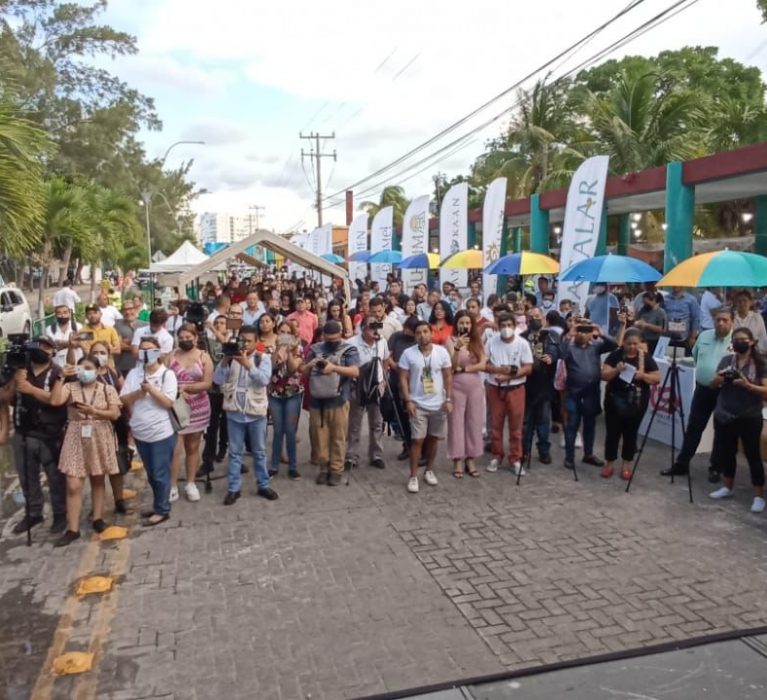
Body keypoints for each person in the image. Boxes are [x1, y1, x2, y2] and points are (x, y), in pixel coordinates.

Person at [49, 356, 122, 546]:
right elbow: (55, 401)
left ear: (98, 370)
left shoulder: (107, 389)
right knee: (73, 483)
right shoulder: (70, 387)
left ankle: (97, 517)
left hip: (99, 433)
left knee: (98, 477)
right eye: (81, 368)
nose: (84, 372)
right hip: (75, 434)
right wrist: (60, 377)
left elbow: (115, 413)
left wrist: (94, 412)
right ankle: (72, 528)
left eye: (88, 368)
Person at [0, 337, 68, 535]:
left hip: (49, 434)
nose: (42, 349)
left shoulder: (58, 373)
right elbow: (4, 398)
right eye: (38, 346)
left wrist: (31, 389)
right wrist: (15, 381)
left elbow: (57, 400)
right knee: (26, 478)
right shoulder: (21, 370)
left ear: (53, 351)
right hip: (22, 432)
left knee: (55, 478)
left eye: (47, 346)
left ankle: (60, 514)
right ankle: (33, 512)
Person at [662, 308, 734, 481]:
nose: (721, 323)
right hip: (702, 389)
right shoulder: (705, 336)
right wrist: (678, 360)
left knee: (721, 430)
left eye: (724, 319)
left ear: (732, 321)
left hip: (725, 392)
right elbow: (695, 358)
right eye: (718, 319)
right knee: (694, 426)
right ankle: (682, 464)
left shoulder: (736, 341)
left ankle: (716, 468)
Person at [213, 325, 277, 505]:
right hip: (235, 411)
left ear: (257, 342)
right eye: (243, 340)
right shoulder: (231, 357)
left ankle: (263, 485)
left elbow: (264, 380)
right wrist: (226, 360)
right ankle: (234, 489)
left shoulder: (262, 358)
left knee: (259, 452)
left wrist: (248, 364)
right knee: (234, 453)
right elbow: (217, 380)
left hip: (256, 412)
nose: (246, 344)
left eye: (250, 341)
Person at [708, 327, 767, 513]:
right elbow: (712, 384)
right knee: (727, 452)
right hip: (725, 414)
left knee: (752, 455)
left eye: (743, 339)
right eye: (736, 339)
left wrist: (748, 385)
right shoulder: (727, 360)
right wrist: (720, 377)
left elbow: (766, 391)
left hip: (749, 416)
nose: (739, 342)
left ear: (751, 342)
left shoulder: (760, 363)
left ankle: (758, 495)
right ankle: (727, 486)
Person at [120, 337, 178, 526]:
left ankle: (163, 510)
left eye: (151, 350)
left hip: (161, 432)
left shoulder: (167, 375)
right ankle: (158, 503)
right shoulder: (133, 374)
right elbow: (124, 400)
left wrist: (151, 390)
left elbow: (168, 402)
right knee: (152, 473)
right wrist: (139, 393)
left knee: (160, 472)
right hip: (140, 432)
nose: (147, 354)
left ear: (159, 352)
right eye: (143, 350)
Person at [301, 320, 360, 486]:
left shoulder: (349, 349)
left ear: (340, 335)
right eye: (328, 339)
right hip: (317, 400)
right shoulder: (315, 349)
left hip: (339, 400)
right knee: (319, 437)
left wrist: (334, 368)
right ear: (323, 336)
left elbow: (355, 371)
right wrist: (309, 365)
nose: (332, 343)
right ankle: (323, 468)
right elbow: (303, 374)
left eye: (335, 339)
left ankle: (336, 469)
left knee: (338, 437)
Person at [399, 321, 453, 493]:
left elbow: (448, 377)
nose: (422, 335)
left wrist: (449, 399)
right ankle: (413, 475)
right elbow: (403, 379)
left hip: (438, 403)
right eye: (418, 333)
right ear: (414, 336)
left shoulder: (442, 352)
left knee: (433, 438)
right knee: (417, 440)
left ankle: (429, 470)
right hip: (418, 404)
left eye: (425, 331)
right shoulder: (408, 354)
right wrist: (408, 400)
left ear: (431, 333)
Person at [600, 328, 661, 480]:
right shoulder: (616, 355)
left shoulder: (645, 358)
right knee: (612, 433)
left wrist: (643, 375)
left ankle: (627, 465)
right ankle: (609, 464)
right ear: (624, 343)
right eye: (629, 344)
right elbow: (604, 375)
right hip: (614, 399)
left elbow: (657, 377)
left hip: (637, 401)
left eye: (635, 344)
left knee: (631, 433)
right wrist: (617, 370)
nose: (632, 347)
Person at [560, 318, 619, 471]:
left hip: (591, 394)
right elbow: (561, 352)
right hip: (574, 393)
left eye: (586, 331)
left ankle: (588, 454)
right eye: (580, 330)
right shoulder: (570, 347)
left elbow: (614, 345)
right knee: (572, 425)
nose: (582, 334)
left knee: (590, 426)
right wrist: (570, 333)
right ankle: (569, 457)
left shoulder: (596, 346)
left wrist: (600, 332)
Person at [484, 312, 534, 476]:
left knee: (516, 427)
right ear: (498, 327)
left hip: (516, 388)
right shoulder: (491, 342)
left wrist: (509, 375)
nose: (506, 329)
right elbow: (484, 364)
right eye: (503, 326)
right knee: (496, 425)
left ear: (514, 326)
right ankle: (497, 456)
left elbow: (528, 367)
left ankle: (516, 458)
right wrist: (498, 370)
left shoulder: (522, 344)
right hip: (495, 388)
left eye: (509, 325)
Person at [168, 324, 213, 503]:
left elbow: (207, 382)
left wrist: (188, 387)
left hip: (198, 407)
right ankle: (172, 485)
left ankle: (190, 482)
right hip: (176, 407)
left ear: (195, 338)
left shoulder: (204, 357)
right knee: (175, 449)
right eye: (182, 337)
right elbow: (164, 378)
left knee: (193, 447)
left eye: (189, 337)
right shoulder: (170, 356)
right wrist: (177, 391)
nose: (186, 340)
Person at [90, 342, 130, 512]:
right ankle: (97, 507)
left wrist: (129, 420)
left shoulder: (113, 371)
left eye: (102, 352)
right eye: (95, 352)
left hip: (116, 423)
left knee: (117, 463)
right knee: (97, 467)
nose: (99, 355)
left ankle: (119, 500)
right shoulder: (86, 374)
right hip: (95, 425)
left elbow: (125, 391)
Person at [346, 315, 390, 470]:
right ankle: (351, 456)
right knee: (355, 423)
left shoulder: (382, 342)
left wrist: (383, 379)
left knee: (377, 422)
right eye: (371, 326)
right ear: (363, 328)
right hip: (358, 387)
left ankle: (376, 454)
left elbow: (385, 360)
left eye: (377, 326)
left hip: (376, 386)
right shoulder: (351, 343)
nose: (375, 330)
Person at [446, 311, 485, 478]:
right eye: (461, 323)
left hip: (475, 386)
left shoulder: (477, 340)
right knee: (456, 422)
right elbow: (451, 366)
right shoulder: (451, 340)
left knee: (474, 422)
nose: (465, 326)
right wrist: (457, 348)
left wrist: (465, 369)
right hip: (456, 386)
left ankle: (471, 458)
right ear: (456, 324)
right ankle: (457, 459)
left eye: (468, 323)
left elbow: (483, 364)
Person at [521, 307, 558, 465]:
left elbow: (558, 349)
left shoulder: (551, 335)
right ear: (527, 320)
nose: (535, 319)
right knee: (527, 421)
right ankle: (525, 450)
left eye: (538, 316)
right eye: (531, 317)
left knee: (543, 420)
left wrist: (551, 356)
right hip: (527, 385)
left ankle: (544, 451)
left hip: (545, 384)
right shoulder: (522, 337)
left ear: (543, 318)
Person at [268, 320, 304, 479]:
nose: (284, 335)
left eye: (287, 332)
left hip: (293, 394)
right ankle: (274, 465)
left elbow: (292, 368)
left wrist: (289, 352)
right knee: (277, 431)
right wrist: (277, 350)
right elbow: (271, 367)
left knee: (290, 430)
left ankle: (293, 466)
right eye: (281, 332)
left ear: (293, 334)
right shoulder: (272, 348)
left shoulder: (299, 349)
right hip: (275, 394)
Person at [385, 316, 418, 461]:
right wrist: (395, 366)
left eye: (410, 330)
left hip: (415, 382)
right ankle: (407, 445)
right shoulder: (396, 337)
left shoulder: (418, 339)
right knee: (401, 415)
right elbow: (387, 355)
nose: (407, 332)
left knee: (415, 417)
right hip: (396, 379)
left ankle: (418, 447)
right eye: (406, 328)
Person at [200, 315, 229, 473]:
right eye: (216, 323)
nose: (218, 325)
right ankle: (207, 461)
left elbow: (226, 345)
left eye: (222, 323)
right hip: (212, 390)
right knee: (211, 427)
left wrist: (212, 329)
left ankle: (223, 449)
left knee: (227, 425)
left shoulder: (231, 340)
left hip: (227, 390)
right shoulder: (208, 342)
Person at [114, 300, 147, 377]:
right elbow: (118, 345)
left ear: (136, 309)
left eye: (130, 309)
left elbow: (148, 345)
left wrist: (128, 343)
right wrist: (137, 346)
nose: (128, 312)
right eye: (125, 310)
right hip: (124, 365)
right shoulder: (117, 325)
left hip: (142, 365)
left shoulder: (145, 325)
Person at [663, 286, 701, 354]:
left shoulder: (691, 299)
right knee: (668, 359)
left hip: (684, 337)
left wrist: (693, 337)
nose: (675, 285)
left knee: (682, 360)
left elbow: (696, 318)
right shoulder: (665, 299)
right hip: (668, 336)